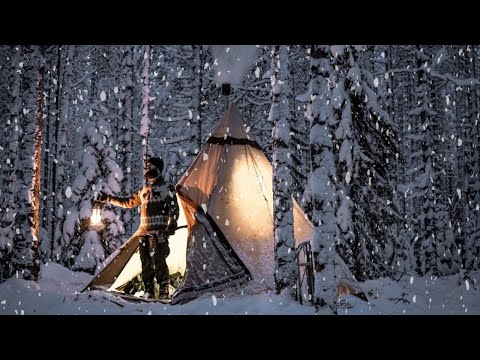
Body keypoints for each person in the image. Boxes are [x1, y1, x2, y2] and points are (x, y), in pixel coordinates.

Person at [99, 157, 179, 300]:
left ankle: (163, 292)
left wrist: (170, 228)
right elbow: (129, 202)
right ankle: (149, 292)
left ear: (158, 169)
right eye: (147, 167)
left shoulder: (167, 188)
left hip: (159, 233)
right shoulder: (144, 190)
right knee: (146, 263)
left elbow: (174, 210)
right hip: (143, 234)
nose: (148, 170)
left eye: (151, 167)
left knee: (159, 261)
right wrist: (109, 199)